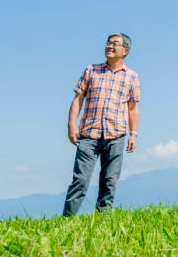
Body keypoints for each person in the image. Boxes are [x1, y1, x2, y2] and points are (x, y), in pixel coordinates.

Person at [62, 32, 140, 216]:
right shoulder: (92, 70)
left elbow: (132, 108)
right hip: (89, 133)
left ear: (125, 51)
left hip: (116, 134)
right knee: (80, 180)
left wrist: (133, 134)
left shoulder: (132, 76)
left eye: (115, 44)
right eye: (108, 43)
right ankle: (66, 220)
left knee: (109, 180)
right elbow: (78, 99)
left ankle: (103, 221)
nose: (110, 46)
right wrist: (71, 125)